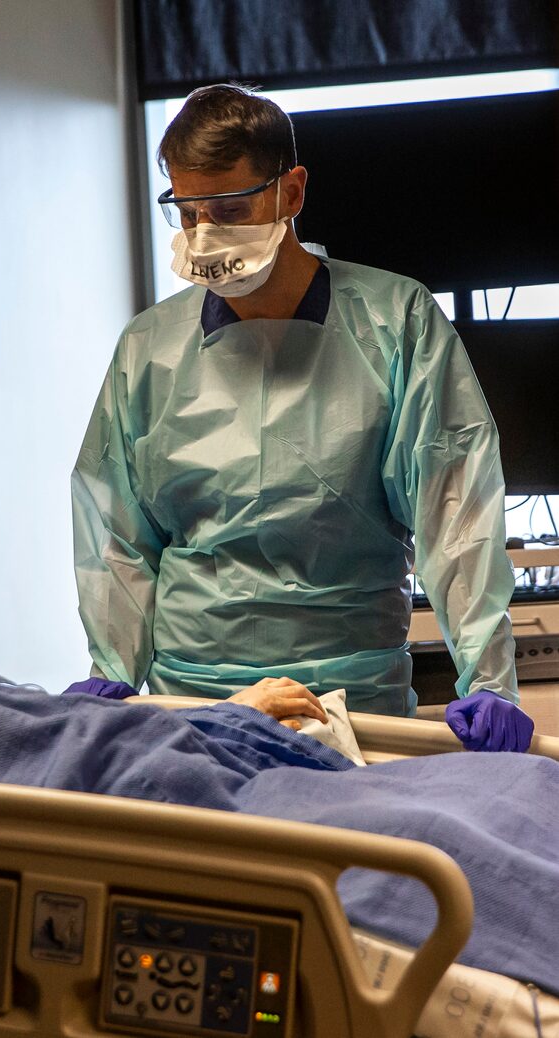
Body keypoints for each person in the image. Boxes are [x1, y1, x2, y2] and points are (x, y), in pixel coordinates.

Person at [71, 83, 533, 753]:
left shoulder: (393, 324)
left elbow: (455, 514)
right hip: (192, 707)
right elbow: (117, 533)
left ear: (291, 191)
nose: (205, 237)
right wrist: (111, 673)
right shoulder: (149, 349)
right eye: (187, 210)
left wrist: (489, 680)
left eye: (229, 208)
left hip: (350, 705)